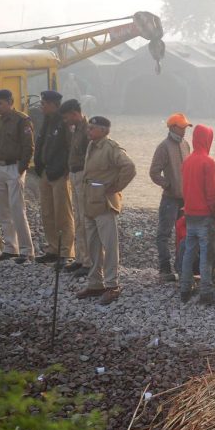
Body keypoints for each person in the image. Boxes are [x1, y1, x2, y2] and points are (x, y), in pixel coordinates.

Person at [76, 116, 137, 305]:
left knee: (109, 247)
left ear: (104, 131)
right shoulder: (91, 146)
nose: (89, 131)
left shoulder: (110, 148)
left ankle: (112, 284)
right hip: (89, 203)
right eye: (88, 128)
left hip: (104, 203)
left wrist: (116, 187)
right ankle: (95, 283)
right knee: (92, 245)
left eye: (92, 128)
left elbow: (129, 167)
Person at [179, 124, 215, 305]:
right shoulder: (208, 162)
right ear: (208, 139)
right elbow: (210, 192)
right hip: (205, 216)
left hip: (190, 213)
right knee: (207, 254)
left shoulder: (187, 161)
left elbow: (188, 189)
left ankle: (185, 289)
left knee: (189, 252)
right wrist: (214, 211)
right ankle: (206, 291)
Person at [0, 89, 35, 264]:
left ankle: (26, 250)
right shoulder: (0, 120)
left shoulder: (22, 120)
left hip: (13, 168)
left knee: (17, 210)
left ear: (10, 102)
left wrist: (21, 169)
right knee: (3, 210)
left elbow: (28, 147)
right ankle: (10, 248)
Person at [150, 113, 192, 282]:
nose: (184, 130)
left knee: (183, 234)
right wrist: (166, 184)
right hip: (170, 198)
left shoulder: (186, 144)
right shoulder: (163, 147)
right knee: (164, 233)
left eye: (185, 127)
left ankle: (181, 266)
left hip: (185, 199)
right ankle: (164, 268)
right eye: (182, 127)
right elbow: (154, 172)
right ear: (173, 127)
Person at [35, 90, 74, 264]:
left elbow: (71, 147)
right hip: (46, 171)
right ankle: (53, 248)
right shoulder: (47, 121)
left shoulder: (64, 122)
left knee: (62, 214)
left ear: (53, 104)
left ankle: (66, 251)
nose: (41, 107)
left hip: (59, 173)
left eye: (44, 103)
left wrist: (65, 169)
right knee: (47, 212)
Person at [60, 99, 91, 277]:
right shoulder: (76, 129)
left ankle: (88, 262)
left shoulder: (87, 130)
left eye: (66, 117)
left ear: (74, 113)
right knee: (78, 219)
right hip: (74, 175)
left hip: (82, 176)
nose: (65, 121)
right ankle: (80, 258)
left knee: (85, 219)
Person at [175, 209, 215, 283]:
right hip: (187, 262)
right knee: (186, 242)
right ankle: (184, 275)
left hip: (203, 262)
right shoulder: (182, 222)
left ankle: (209, 270)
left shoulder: (209, 224)